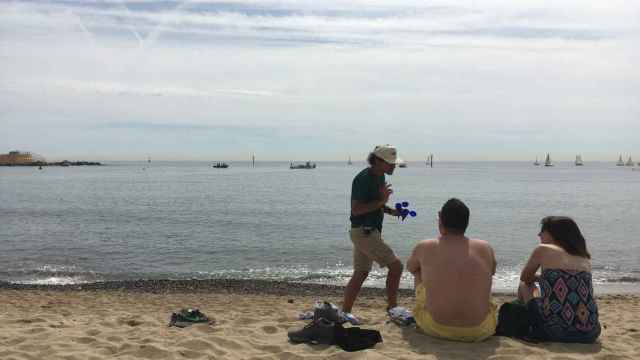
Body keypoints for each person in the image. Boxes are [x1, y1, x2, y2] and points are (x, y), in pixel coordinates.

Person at [407, 198, 497, 342]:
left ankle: (431, 308)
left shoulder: (425, 246)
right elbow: (492, 271)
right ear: (466, 222)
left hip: (435, 327)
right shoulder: (485, 247)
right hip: (480, 330)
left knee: (418, 270)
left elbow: (411, 268)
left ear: (441, 220)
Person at [342, 144, 403, 320]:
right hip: (364, 232)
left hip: (366, 232)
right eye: (390, 163)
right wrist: (383, 200)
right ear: (377, 161)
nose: (394, 166)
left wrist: (392, 211)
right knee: (397, 267)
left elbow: (376, 204)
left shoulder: (380, 176)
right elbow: (356, 210)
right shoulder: (363, 179)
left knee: (361, 273)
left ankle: (345, 313)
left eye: (394, 163)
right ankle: (393, 309)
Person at [517, 216, 600, 343]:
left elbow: (525, 277)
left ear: (553, 233)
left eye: (542, 230)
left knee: (525, 285)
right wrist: (545, 279)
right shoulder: (583, 257)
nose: (539, 234)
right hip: (591, 332)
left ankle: (533, 326)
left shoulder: (543, 249)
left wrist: (540, 279)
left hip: (555, 332)